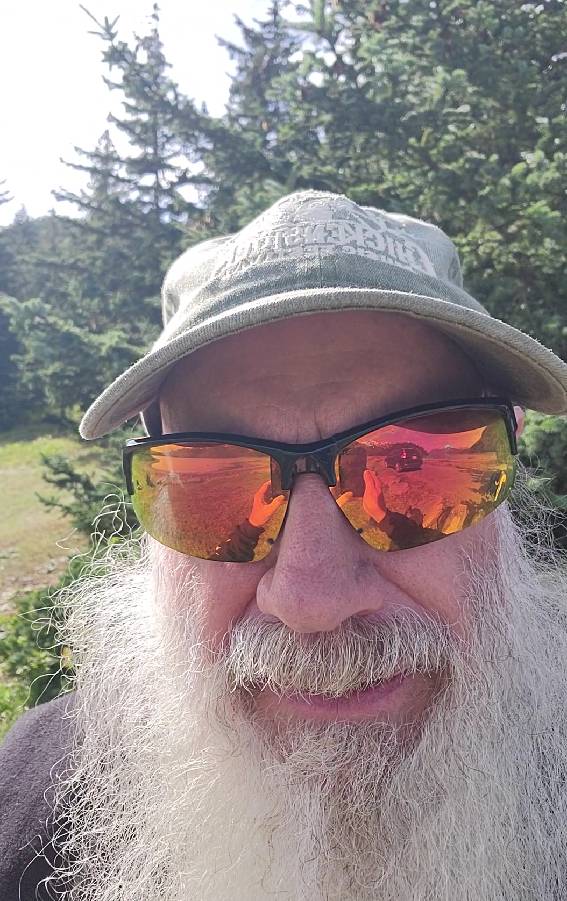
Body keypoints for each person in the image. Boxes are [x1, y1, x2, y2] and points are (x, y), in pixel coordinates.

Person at [2, 190, 567, 901]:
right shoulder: (31, 812)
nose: (311, 601)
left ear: (507, 462)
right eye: (215, 484)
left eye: (412, 469)